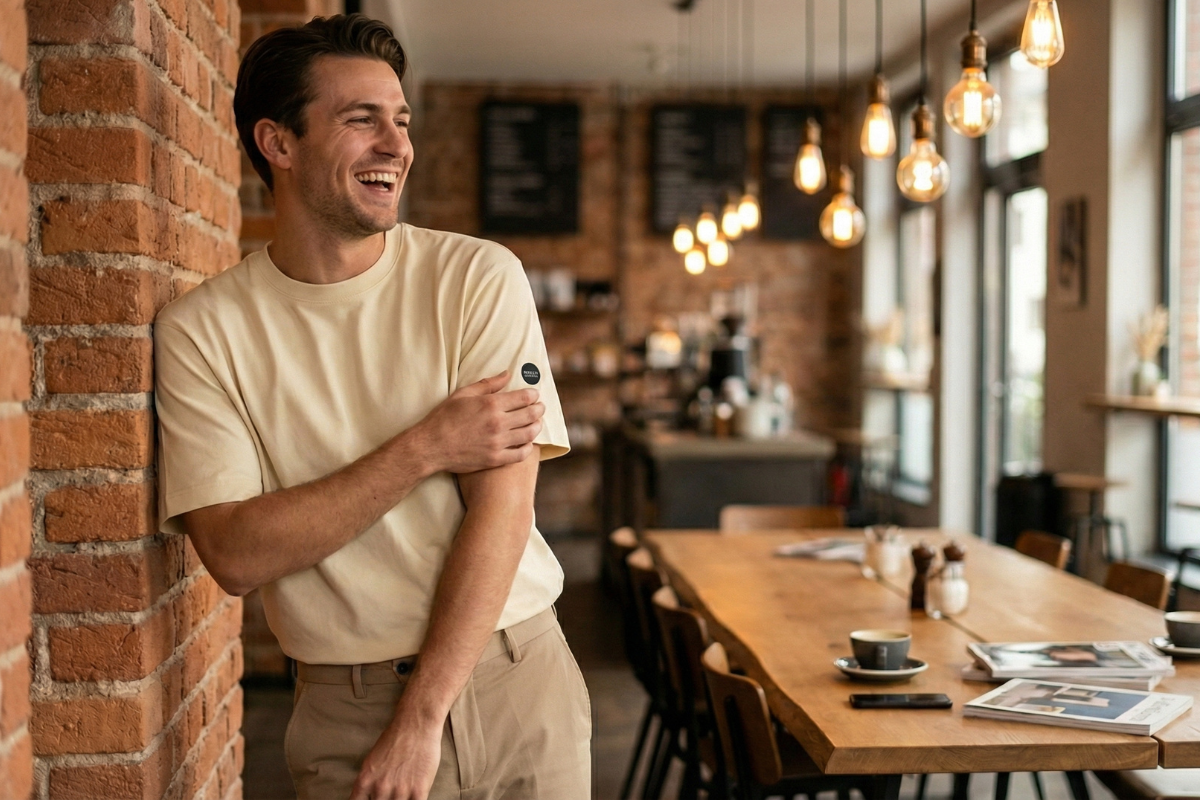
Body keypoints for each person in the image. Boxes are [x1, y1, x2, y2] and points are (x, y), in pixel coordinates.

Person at [154, 14, 590, 800]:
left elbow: (503, 511)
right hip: (342, 711)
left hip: (518, 680)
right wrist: (425, 447)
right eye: (361, 120)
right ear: (278, 144)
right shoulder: (203, 331)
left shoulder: (477, 278)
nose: (397, 144)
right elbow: (237, 554)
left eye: (401, 119)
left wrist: (423, 719)